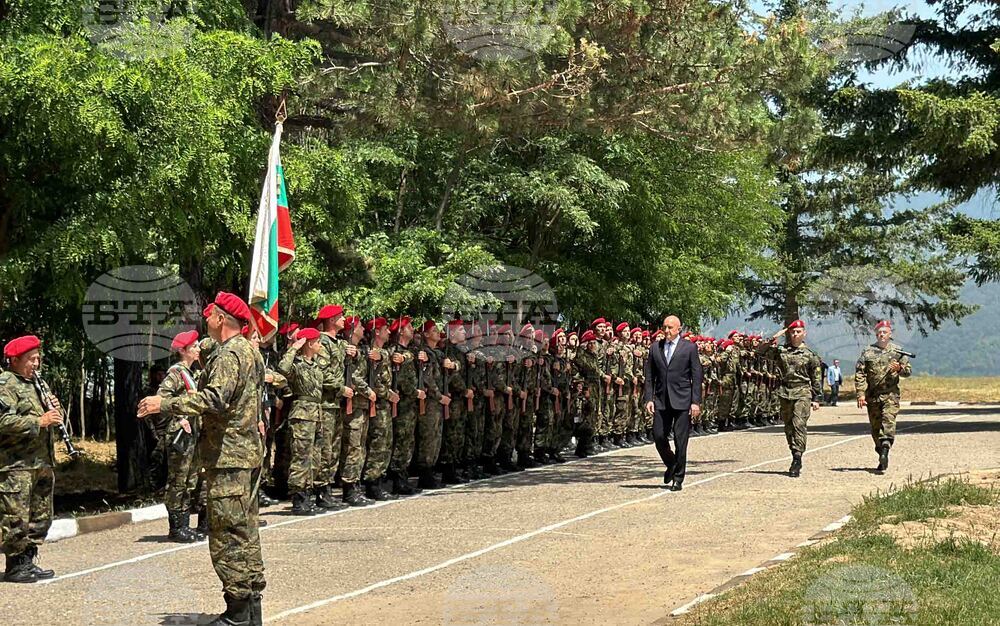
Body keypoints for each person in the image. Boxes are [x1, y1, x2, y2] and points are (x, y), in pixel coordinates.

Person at [138, 292, 266, 625]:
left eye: (211, 316)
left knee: (226, 537)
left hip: (228, 459)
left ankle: (238, 614)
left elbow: (214, 398)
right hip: (246, 455)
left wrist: (163, 404)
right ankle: (251, 612)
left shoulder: (229, 355)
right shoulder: (250, 352)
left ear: (222, 319)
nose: (205, 321)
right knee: (246, 532)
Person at [0, 335, 59, 583]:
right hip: (17, 465)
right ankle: (15, 565)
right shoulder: (6, 383)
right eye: (31, 359)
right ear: (15, 360)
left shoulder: (36, 383)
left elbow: (49, 417)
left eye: (37, 358)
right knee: (16, 518)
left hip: (41, 462)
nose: (36, 363)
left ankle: (28, 559)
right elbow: (3, 420)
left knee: (41, 516)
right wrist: (39, 421)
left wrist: (56, 410)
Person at [643, 315, 703, 492]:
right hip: (661, 400)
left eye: (670, 327)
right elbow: (649, 376)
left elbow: (696, 376)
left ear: (679, 329)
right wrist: (649, 399)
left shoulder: (689, 348)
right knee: (659, 436)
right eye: (664, 327)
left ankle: (678, 478)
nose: (666, 331)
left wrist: (695, 402)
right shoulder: (655, 348)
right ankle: (671, 463)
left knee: (680, 440)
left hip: (682, 400)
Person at [156, 330, 206, 542]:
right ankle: (176, 527)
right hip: (180, 435)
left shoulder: (191, 374)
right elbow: (161, 400)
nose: (197, 350)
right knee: (178, 480)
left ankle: (184, 524)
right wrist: (179, 419)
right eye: (193, 347)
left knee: (189, 480)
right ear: (183, 351)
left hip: (192, 434)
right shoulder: (176, 373)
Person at [762, 320, 822, 478]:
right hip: (785, 391)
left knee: (798, 424)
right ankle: (794, 450)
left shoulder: (810, 355)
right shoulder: (782, 351)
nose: (795, 335)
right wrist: (772, 338)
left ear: (804, 333)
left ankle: (797, 457)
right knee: (788, 426)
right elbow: (760, 352)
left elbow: (816, 378)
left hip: (803, 391)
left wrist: (816, 397)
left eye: (798, 332)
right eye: (793, 332)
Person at [277, 326, 324, 515]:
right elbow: (282, 368)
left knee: (314, 457)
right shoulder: (297, 365)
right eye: (318, 342)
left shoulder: (316, 365)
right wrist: (294, 348)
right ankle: (298, 498)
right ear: (310, 344)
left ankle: (307, 493)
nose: (320, 345)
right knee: (301, 458)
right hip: (302, 415)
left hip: (316, 413)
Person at [855, 320, 912, 472]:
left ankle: (886, 447)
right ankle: (881, 451)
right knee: (875, 429)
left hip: (890, 395)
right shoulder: (868, 352)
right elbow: (860, 374)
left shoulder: (898, 352)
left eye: (884, 332)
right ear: (876, 334)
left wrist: (899, 368)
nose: (881, 335)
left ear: (890, 334)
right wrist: (860, 394)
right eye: (879, 333)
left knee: (888, 422)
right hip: (873, 396)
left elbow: (908, 371)